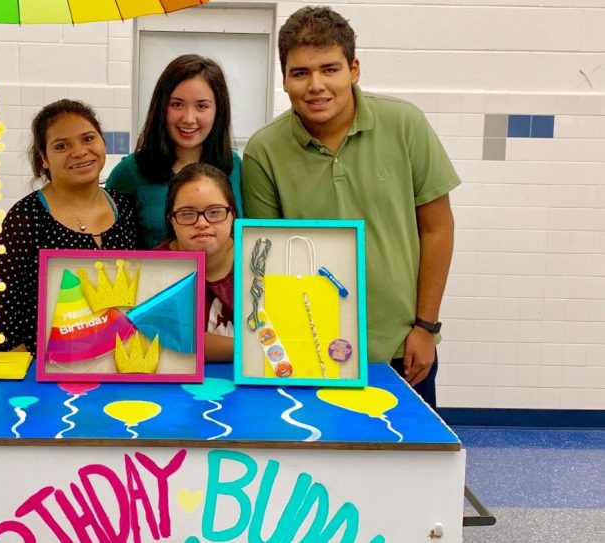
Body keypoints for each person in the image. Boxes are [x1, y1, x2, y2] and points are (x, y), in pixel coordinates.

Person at [242, 6, 459, 408]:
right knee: (317, 469)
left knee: (408, 467)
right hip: (308, 348)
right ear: (284, 79)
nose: (316, 85)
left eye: (330, 69)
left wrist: (426, 327)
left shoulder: (405, 125)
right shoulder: (264, 151)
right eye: (300, 73)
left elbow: (437, 228)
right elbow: (266, 262)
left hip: (400, 345)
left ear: (353, 69)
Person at [0, 99, 138, 356]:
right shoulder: (25, 218)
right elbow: (5, 313)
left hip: (117, 362)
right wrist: (28, 383)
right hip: (43, 369)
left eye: (88, 138)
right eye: (61, 146)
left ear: (102, 142)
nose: (79, 151)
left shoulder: (125, 209)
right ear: (44, 158)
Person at [106, 54, 243, 249]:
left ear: (218, 110)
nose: (188, 118)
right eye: (177, 104)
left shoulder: (235, 166)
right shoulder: (129, 172)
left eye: (201, 106)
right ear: (161, 107)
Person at [155, 163, 236, 362]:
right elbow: (165, 341)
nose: (202, 223)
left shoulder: (260, 259)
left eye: (215, 212)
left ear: (232, 214)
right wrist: (254, 347)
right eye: (187, 214)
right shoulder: (154, 267)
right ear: (171, 219)